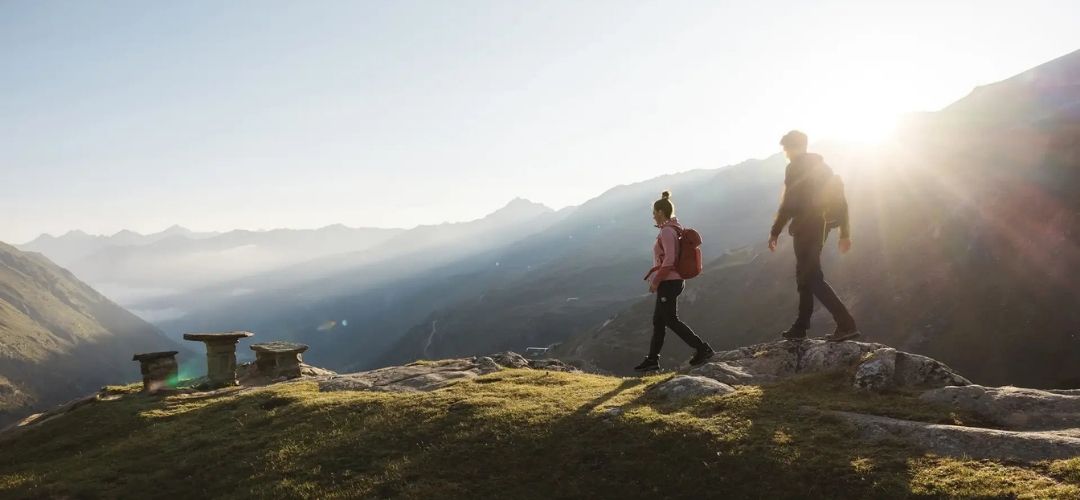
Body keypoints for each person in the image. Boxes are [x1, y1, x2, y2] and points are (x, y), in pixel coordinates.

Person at [768, 130, 859, 342]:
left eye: (787, 149)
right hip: (820, 228)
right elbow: (841, 199)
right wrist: (844, 233)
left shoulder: (795, 167)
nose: (786, 153)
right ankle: (800, 327)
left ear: (795, 147)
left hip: (805, 229)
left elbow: (789, 203)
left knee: (811, 277)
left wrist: (775, 231)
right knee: (804, 277)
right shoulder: (823, 167)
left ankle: (846, 323)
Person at [634, 191, 715, 372]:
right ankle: (653, 359)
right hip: (671, 282)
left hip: (669, 283)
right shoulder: (674, 228)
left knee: (670, 320)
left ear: (661, 212)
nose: (653, 216)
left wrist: (656, 281)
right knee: (659, 321)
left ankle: (702, 348)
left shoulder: (667, 232)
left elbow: (669, 260)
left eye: (654, 212)